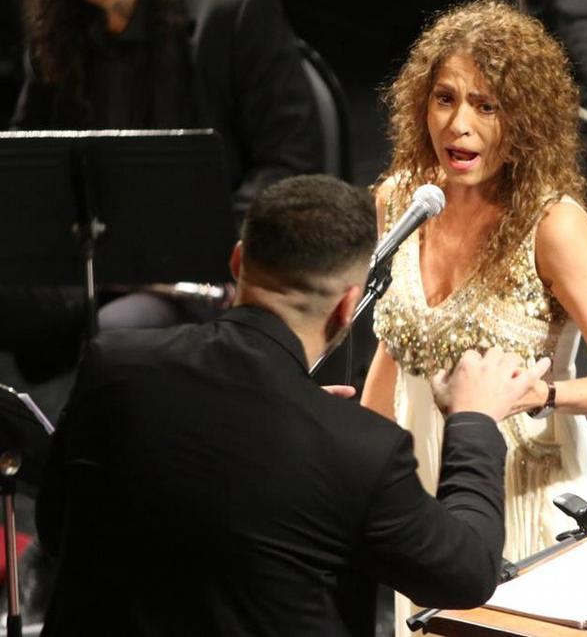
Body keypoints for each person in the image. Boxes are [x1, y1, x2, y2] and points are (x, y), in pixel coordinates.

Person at [35, 174, 544, 635]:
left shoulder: (113, 364)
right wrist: (474, 422)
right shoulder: (359, 450)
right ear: (348, 305)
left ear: (238, 261)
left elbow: (57, 528)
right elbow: (466, 573)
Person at [361, 0, 587, 635]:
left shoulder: (555, 225)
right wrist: (354, 456)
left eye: (486, 105)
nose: (459, 124)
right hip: (429, 500)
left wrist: (542, 394)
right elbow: (393, 341)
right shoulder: (402, 200)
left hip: (531, 499)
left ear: (523, 117)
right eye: (444, 99)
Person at [1, 0, 322, 368]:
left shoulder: (234, 5)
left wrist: (198, 246)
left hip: (201, 273)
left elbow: (290, 166)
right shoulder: (57, 25)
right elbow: (28, 163)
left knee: (112, 340)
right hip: (94, 261)